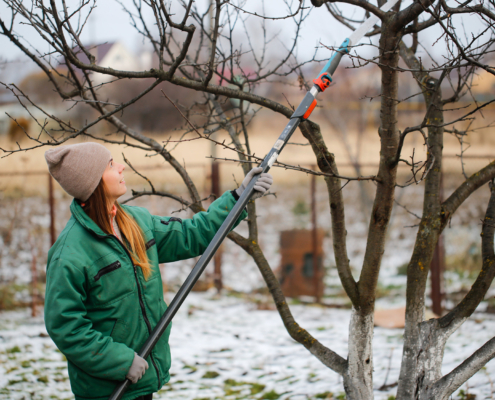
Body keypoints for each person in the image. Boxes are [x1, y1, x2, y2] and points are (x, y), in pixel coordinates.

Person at [43, 142, 273, 400]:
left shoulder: (137, 223)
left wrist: (238, 197)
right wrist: (120, 361)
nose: (121, 167)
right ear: (93, 182)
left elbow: (192, 234)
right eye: (110, 165)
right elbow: (66, 327)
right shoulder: (69, 254)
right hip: (107, 390)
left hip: (143, 378)